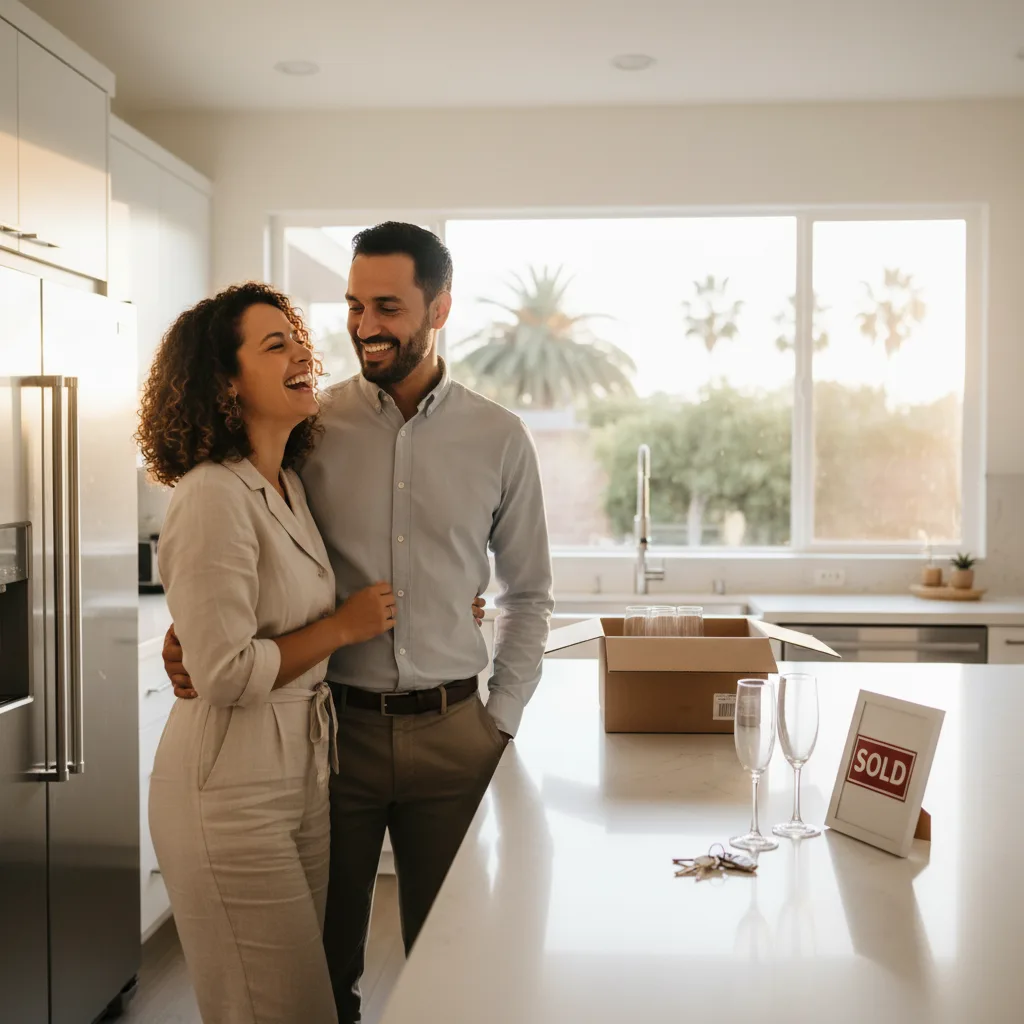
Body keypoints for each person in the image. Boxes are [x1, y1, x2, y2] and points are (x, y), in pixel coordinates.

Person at [164, 223, 554, 1023]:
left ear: (439, 307)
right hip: (329, 737)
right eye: (352, 304)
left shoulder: (500, 438)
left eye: (387, 306)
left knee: (457, 965)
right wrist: (188, 632)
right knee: (319, 969)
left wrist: (499, 720)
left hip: (455, 733)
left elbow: (528, 595)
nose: (364, 325)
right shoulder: (310, 425)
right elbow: (251, 551)